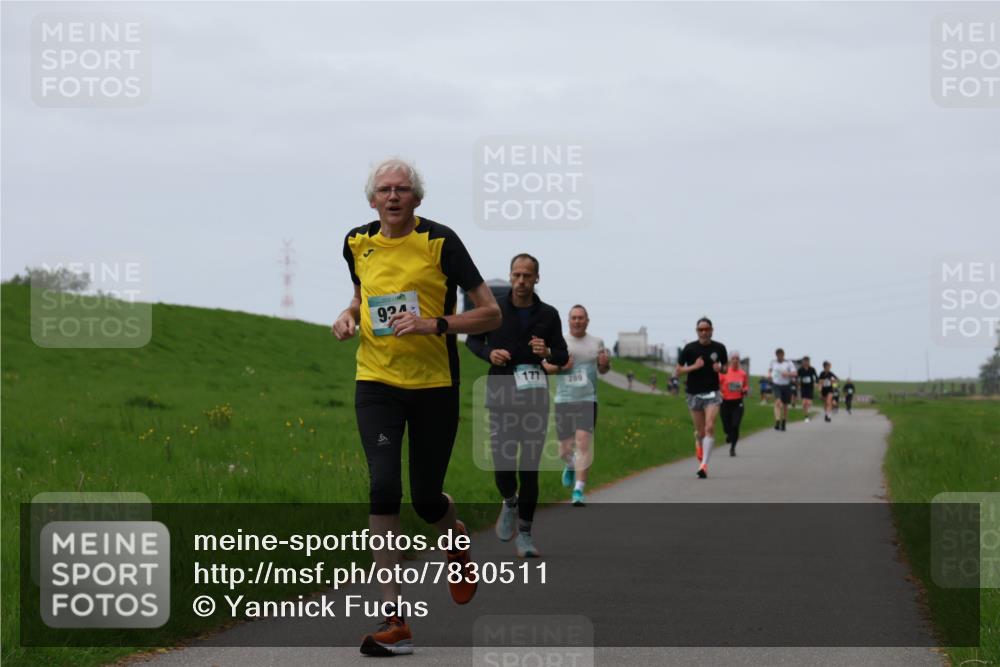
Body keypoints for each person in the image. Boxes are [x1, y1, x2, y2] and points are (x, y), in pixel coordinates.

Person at [334, 158, 502, 656]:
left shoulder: (441, 242)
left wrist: (434, 324)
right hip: (377, 382)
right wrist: (346, 317)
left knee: (427, 498)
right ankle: (395, 619)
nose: (392, 196)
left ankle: (452, 533)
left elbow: (488, 311)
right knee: (384, 486)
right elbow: (361, 296)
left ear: (417, 198)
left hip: (434, 384)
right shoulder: (355, 242)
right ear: (371, 199)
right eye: (384, 189)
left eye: (402, 189)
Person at [467, 253, 568, 558]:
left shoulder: (548, 314)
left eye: (528, 275)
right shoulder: (494, 307)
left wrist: (547, 350)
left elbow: (562, 356)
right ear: (510, 276)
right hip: (501, 392)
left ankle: (524, 535)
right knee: (503, 460)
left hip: (535, 397)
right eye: (517, 275)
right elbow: (473, 341)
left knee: (530, 468)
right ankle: (509, 501)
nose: (522, 281)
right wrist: (489, 354)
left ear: (537, 278)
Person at [542, 305, 610, 507]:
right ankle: (570, 465)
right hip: (564, 399)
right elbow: (545, 368)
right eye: (574, 318)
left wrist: (605, 364)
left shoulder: (597, 342)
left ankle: (579, 490)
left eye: (581, 318)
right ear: (568, 320)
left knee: (583, 444)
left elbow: (603, 370)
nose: (578, 321)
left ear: (587, 320)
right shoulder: (559, 342)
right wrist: (562, 366)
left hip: (588, 399)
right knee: (564, 450)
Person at [674, 317, 728, 478]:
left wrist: (721, 369)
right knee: (700, 432)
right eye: (701, 330)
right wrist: (694, 367)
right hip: (694, 394)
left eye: (706, 329)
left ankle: (703, 465)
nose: (704, 332)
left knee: (710, 427)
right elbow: (677, 371)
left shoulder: (719, 348)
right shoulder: (689, 349)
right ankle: (699, 443)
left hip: (712, 393)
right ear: (697, 331)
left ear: (712, 330)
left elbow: (725, 368)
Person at [719, 351, 749, 456]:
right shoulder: (724, 372)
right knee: (726, 427)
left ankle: (733, 448)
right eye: (733, 358)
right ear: (730, 360)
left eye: (737, 358)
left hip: (738, 403)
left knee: (735, 425)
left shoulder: (743, 373)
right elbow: (716, 385)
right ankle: (729, 434)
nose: (735, 360)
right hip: (725, 403)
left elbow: (745, 386)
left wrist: (745, 390)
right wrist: (720, 393)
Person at [768, 348, 797, 431]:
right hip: (776, 384)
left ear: (783, 355)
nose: (779, 356)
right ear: (776, 355)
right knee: (778, 402)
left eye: (781, 355)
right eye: (778, 355)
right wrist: (769, 375)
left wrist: (788, 374)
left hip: (786, 385)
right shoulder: (773, 362)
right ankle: (777, 421)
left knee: (785, 405)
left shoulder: (788, 363)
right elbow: (770, 370)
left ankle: (784, 421)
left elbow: (795, 373)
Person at [798, 356, 818, 422]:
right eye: (805, 361)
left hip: (810, 387)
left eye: (807, 361)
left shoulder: (812, 369)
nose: (806, 363)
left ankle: (809, 410)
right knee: (804, 403)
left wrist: (816, 383)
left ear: (809, 362)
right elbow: (797, 378)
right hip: (803, 387)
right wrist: (798, 384)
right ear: (803, 362)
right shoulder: (800, 369)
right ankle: (806, 417)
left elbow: (816, 377)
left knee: (809, 402)